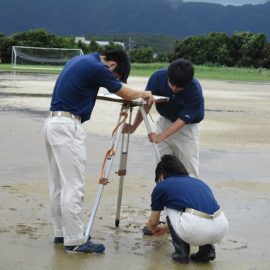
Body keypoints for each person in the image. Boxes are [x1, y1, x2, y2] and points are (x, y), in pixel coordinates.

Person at [43, 49, 153, 254]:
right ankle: (74, 240)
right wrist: (145, 93)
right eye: (116, 76)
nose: (113, 79)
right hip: (68, 126)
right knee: (73, 186)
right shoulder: (98, 67)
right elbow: (125, 93)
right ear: (112, 65)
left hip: (53, 122)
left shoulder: (80, 60)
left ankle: (62, 233)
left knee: (58, 184)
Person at [123, 59, 204, 178]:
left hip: (186, 129)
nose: (174, 89)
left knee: (188, 170)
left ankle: (188, 194)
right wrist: (134, 126)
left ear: (188, 82)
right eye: (172, 84)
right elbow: (146, 103)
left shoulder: (195, 89)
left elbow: (182, 120)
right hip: (164, 122)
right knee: (163, 167)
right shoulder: (157, 77)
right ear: (168, 76)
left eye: (179, 87)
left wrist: (161, 136)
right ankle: (165, 193)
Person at [144, 154, 229, 264]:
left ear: (162, 174)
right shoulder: (198, 182)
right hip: (220, 227)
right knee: (200, 210)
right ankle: (207, 251)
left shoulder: (162, 186)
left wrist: (149, 228)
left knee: (170, 207)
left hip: (196, 229)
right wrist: (166, 228)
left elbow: (153, 222)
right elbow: (198, 212)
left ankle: (181, 254)